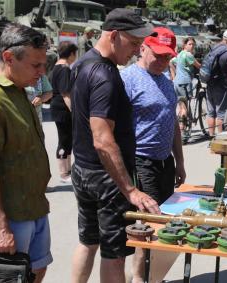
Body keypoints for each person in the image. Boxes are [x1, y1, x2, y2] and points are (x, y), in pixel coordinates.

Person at [70, 8, 159, 283]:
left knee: (88, 241)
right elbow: (102, 139)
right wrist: (130, 189)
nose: (136, 51)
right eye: (133, 43)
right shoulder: (105, 75)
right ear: (115, 35)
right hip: (105, 179)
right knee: (114, 253)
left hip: (83, 169)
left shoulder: (83, 62)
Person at [120, 26, 186, 283]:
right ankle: (139, 277)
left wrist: (179, 161)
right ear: (142, 48)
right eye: (158, 55)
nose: (162, 61)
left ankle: (151, 276)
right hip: (140, 162)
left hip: (164, 162)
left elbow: (173, 124)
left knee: (164, 222)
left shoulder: (166, 81)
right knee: (147, 224)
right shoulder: (128, 79)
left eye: (168, 57)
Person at [0, 23, 52, 283]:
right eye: (36, 66)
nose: (42, 73)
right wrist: (0, 226)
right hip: (12, 216)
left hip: (35, 207)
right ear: (9, 57)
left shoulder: (20, 92)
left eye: (44, 65)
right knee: (13, 277)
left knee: (36, 271)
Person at [50, 41, 78, 183]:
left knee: (66, 139)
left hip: (58, 107)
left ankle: (67, 171)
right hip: (63, 108)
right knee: (64, 139)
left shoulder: (55, 67)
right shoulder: (64, 69)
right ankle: (63, 173)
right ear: (71, 54)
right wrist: (74, 111)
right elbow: (66, 94)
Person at [169, 37, 201, 141]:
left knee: (182, 104)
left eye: (193, 45)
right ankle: (182, 130)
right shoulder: (188, 55)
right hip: (185, 82)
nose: (192, 47)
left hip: (177, 82)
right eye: (190, 44)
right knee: (184, 107)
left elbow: (170, 62)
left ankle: (180, 127)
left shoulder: (179, 55)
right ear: (185, 45)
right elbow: (198, 66)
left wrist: (174, 74)